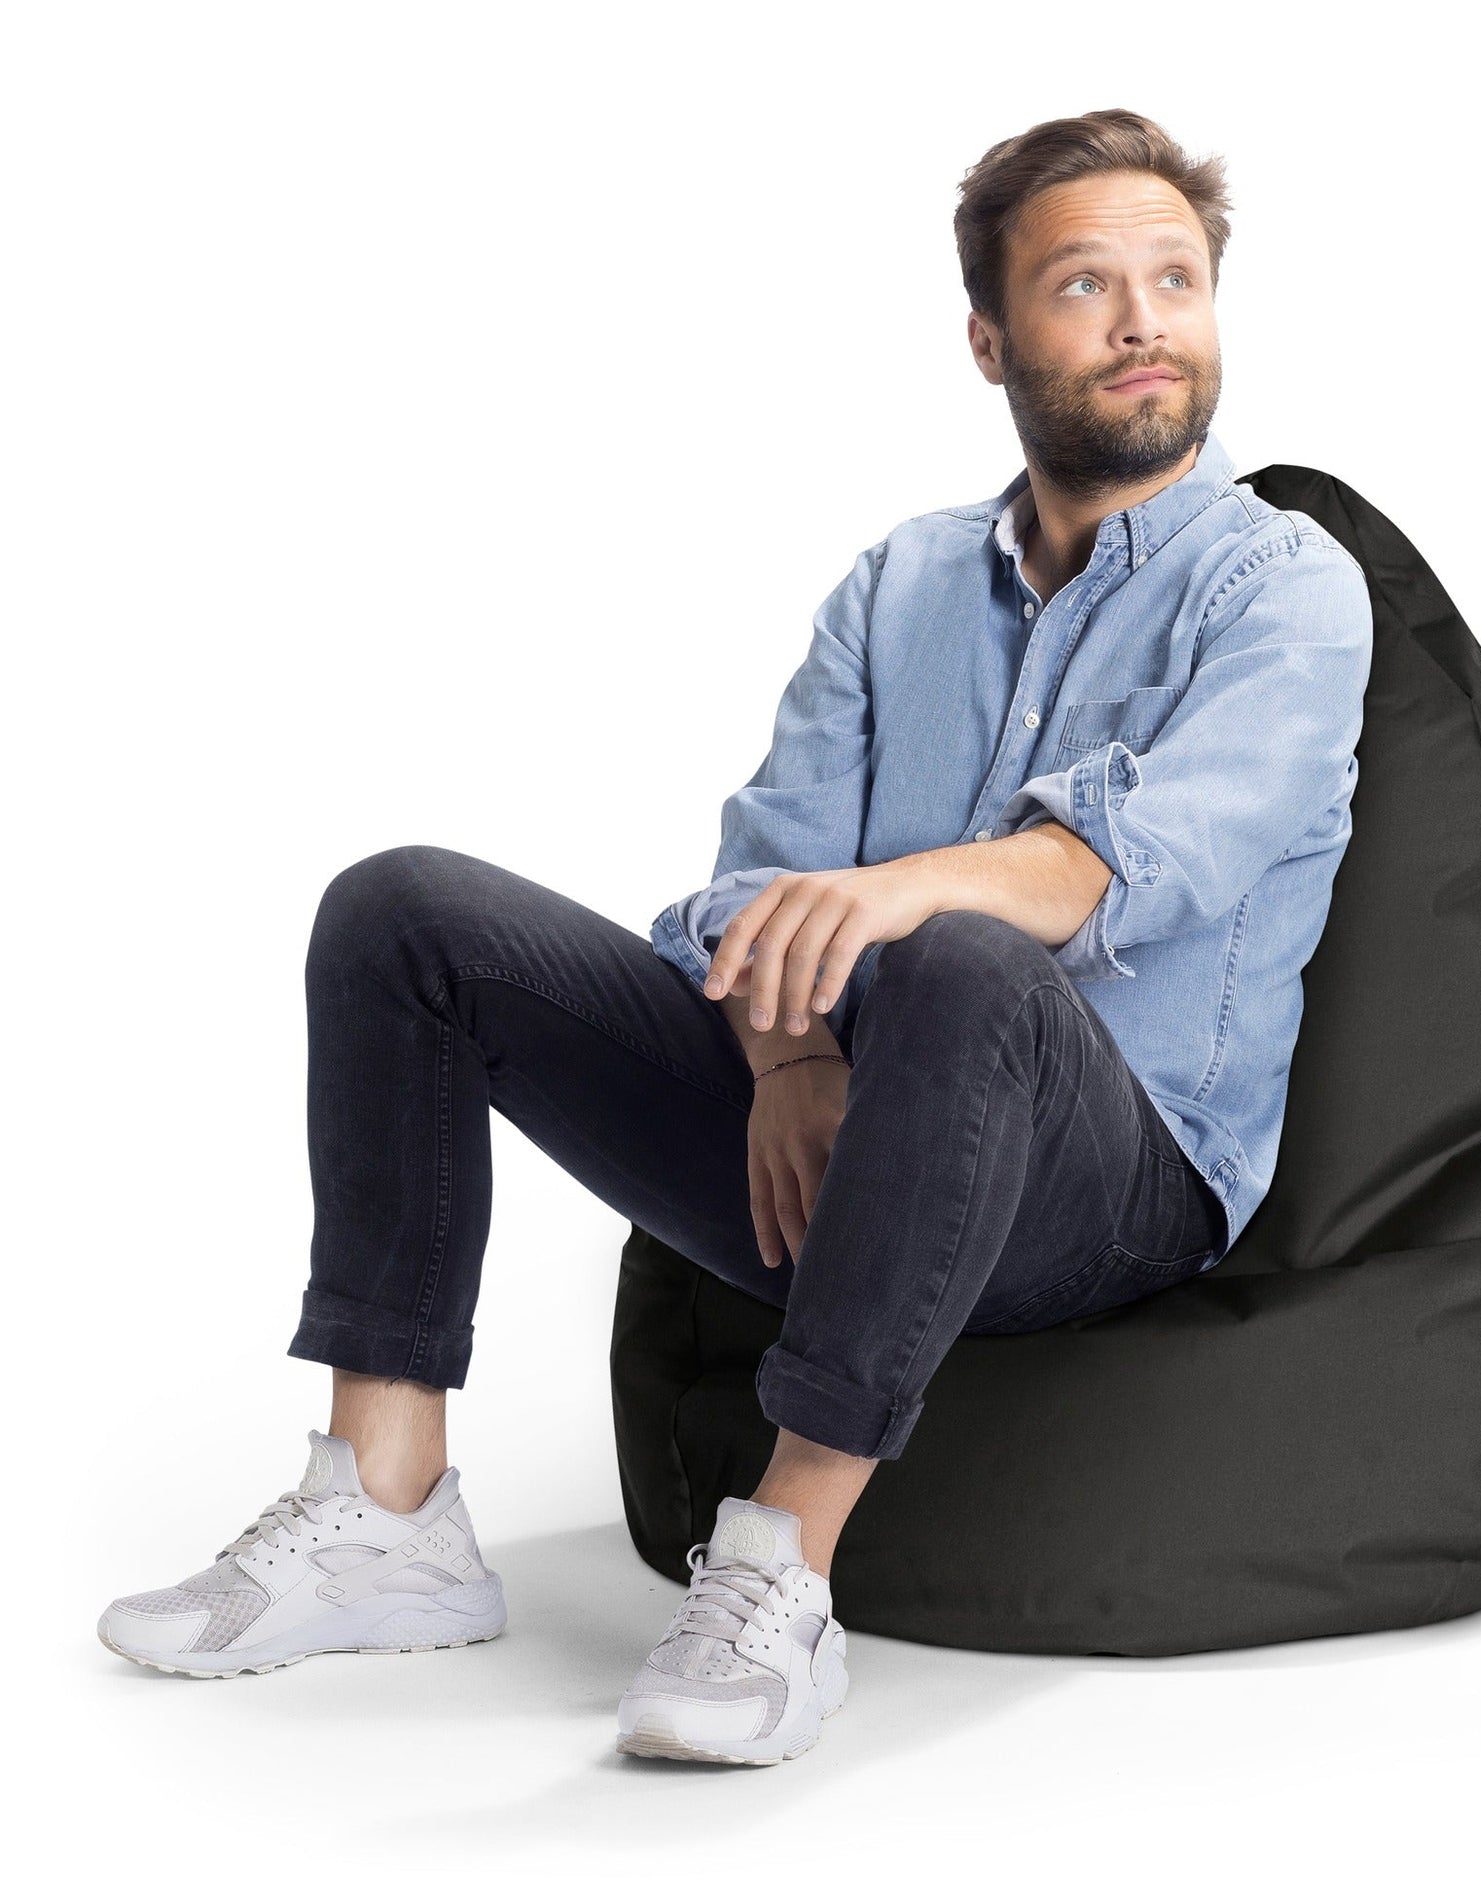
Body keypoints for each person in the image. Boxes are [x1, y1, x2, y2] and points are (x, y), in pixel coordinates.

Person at [97, 108, 1373, 1766]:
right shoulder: (900, 585)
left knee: (964, 953)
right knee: (403, 911)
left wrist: (900, 900)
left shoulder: (1284, 585)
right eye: (1083, 285)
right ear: (989, 339)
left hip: (1117, 1182)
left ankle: (778, 1565)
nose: (1143, 319)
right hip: (838, 1123)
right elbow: (752, 880)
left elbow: (1126, 871)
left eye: (1175, 280)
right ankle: (390, 1506)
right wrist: (784, 1049)